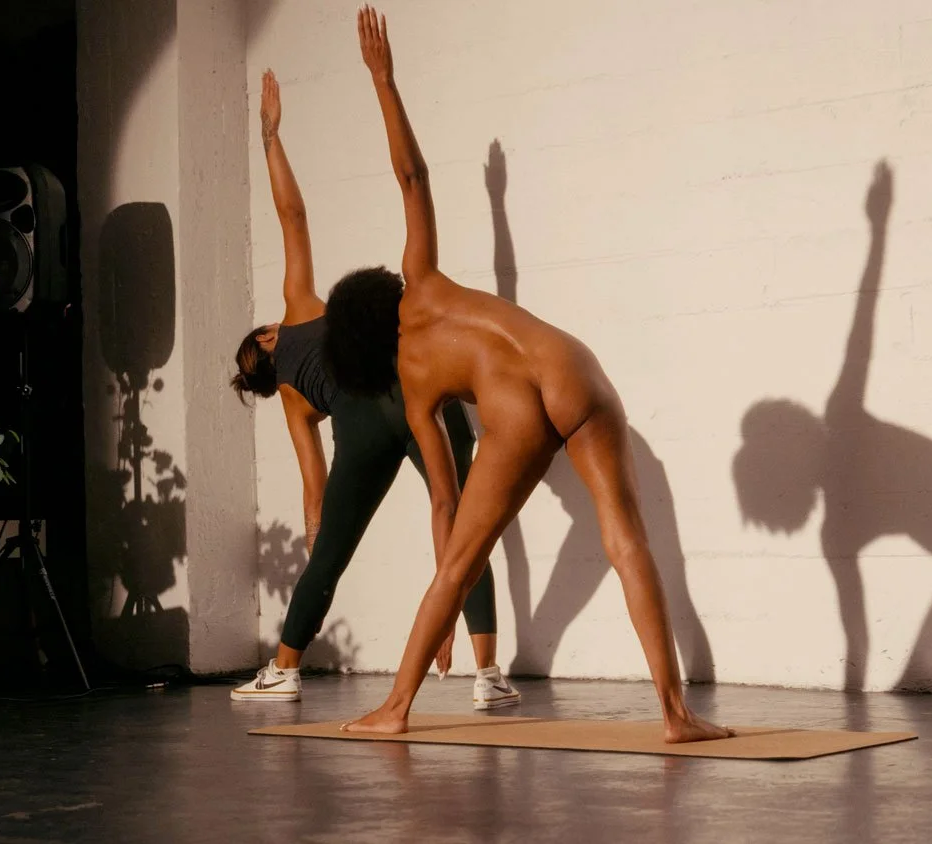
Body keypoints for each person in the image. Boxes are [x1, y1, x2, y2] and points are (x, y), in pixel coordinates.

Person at [328, 7, 729, 743]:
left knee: (456, 563)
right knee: (627, 539)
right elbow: (411, 176)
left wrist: (445, 603)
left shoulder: (414, 387)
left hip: (513, 412)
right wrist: (384, 81)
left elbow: (445, 511)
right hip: (574, 366)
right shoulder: (421, 277)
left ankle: (394, 709)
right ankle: (675, 715)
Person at [227, 68, 520, 711]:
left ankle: (284, 671)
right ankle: (488, 674)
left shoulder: (295, 404)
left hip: (360, 429)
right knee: (465, 519)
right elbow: (293, 216)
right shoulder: (300, 309)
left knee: (331, 556)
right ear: (271, 340)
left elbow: (314, 490)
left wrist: (321, 544)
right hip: (413, 384)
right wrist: (271, 139)